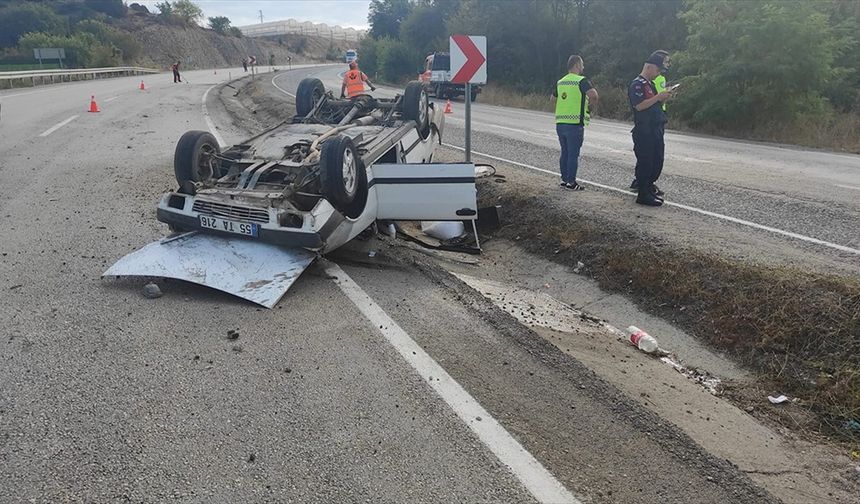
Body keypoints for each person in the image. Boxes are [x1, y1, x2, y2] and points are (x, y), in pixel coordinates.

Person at [628, 51, 673, 206]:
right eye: (658, 70)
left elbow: (654, 104)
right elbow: (639, 105)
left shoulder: (650, 84)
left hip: (655, 128)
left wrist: (664, 96)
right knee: (646, 162)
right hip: (644, 130)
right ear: (649, 67)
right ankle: (643, 194)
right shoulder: (637, 84)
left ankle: (648, 187)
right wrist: (658, 97)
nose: (658, 73)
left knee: (656, 161)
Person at [551, 54, 599, 191]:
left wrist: (564, 106)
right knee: (573, 154)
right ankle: (571, 183)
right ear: (577, 65)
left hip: (560, 122)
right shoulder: (582, 81)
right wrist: (589, 108)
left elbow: (552, 99)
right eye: (582, 64)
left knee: (564, 152)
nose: (583, 67)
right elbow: (594, 95)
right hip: (575, 123)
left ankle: (564, 179)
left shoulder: (561, 82)